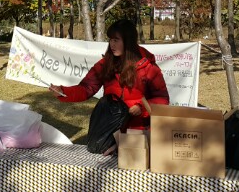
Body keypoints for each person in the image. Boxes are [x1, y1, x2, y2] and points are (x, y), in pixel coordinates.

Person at [48, 19, 169, 151]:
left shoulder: (149, 68)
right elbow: (86, 88)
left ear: (128, 42)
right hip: (110, 129)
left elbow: (162, 99)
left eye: (116, 40)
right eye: (110, 40)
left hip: (138, 130)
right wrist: (63, 91)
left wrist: (142, 108)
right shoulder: (105, 64)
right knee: (100, 155)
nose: (112, 44)